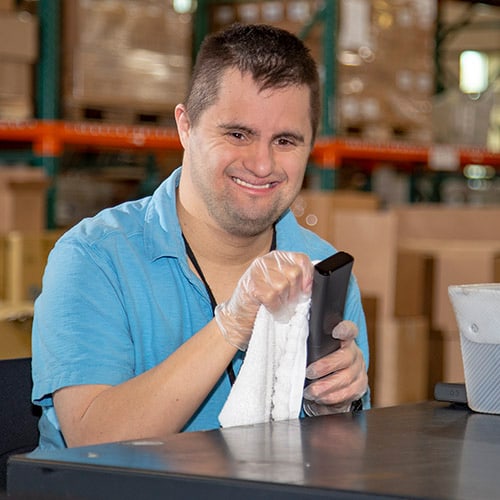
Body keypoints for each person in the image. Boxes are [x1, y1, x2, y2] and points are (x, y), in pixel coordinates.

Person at [32, 23, 370, 450]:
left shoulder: (323, 271)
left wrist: (332, 408)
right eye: (238, 134)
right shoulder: (94, 258)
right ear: (185, 127)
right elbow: (93, 439)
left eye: (285, 140)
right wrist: (231, 324)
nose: (262, 164)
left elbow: (340, 465)